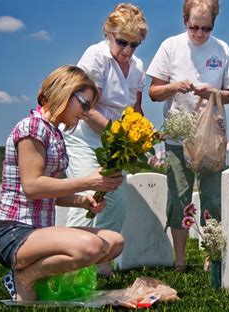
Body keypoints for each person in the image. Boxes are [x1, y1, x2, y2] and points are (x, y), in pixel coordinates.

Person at [0, 65, 125, 301]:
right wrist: (88, 181)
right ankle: (23, 277)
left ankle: (29, 275)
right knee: (91, 246)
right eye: (84, 104)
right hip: (14, 232)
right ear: (64, 92)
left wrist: (83, 201)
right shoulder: (32, 127)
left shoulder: (55, 133)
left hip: (39, 231)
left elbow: (50, 193)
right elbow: (33, 187)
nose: (86, 113)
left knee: (114, 242)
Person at [147, 0, 229, 272]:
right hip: (177, 133)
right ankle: (181, 259)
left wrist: (213, 92)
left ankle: (211, 256)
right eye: (193, 26)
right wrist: (174, 86)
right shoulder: (170, 46)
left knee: (212, 198)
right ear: (184, 19)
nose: (199, 34)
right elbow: (153, 92)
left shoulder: (222, 49)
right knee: (179, 198)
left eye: (206, 28)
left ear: (214, 24)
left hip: (210, 135)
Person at [63, 3, 148, 275]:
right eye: (122, 42)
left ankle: (101, 261)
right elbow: (86, 108)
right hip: (84, 138)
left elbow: (136, 109)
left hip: (114, 144)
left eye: (134, 45)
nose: (127, 50)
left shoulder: (137, 66)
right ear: (108, 33)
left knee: (117, 202)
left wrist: (140, 137)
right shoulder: (95, 57)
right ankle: (70, 265)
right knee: (88, 198)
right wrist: (119, 135)